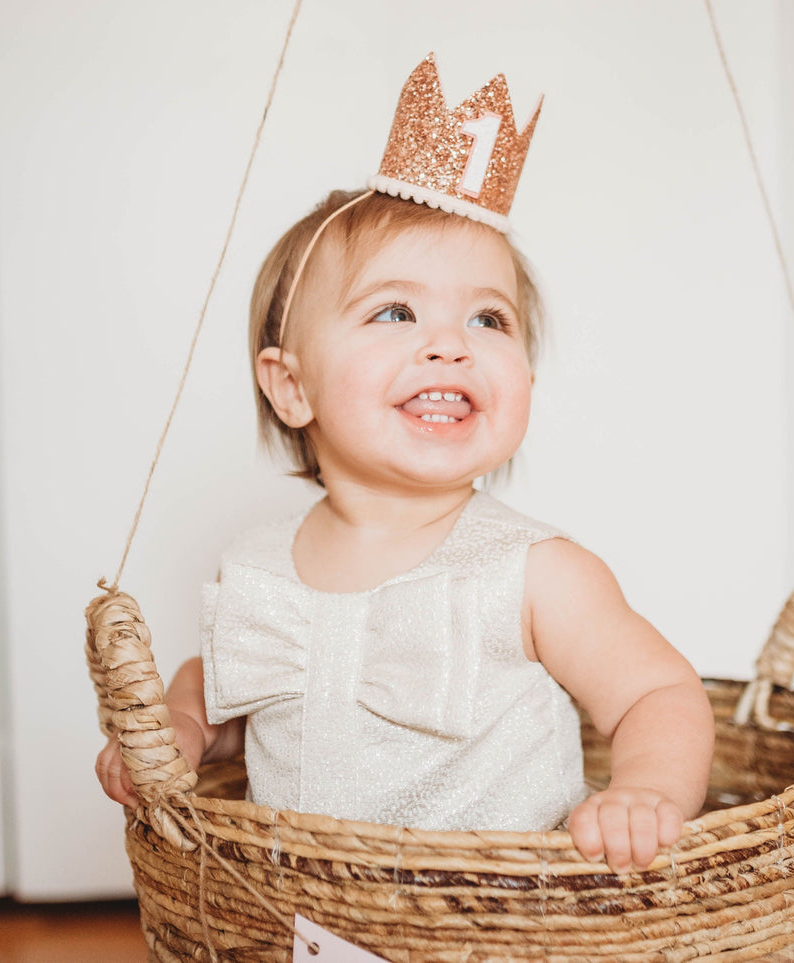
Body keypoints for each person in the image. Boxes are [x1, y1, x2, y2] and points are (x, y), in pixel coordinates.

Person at [96, 55, 715, 875]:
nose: (450, 343)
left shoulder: (535, 574)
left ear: (525, 380)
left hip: (503, 926)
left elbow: (657, 694)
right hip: (306, 921)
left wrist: (647, 793)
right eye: (396, 310)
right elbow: (222, 686)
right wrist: (181, 721)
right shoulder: (255, 566)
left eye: (489, 319)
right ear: (291, 386)